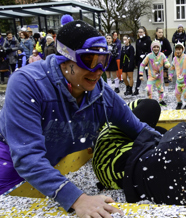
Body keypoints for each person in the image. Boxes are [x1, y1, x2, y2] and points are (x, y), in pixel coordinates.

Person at [0, 14, 165, 217]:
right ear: (65, 58)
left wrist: (175, 144)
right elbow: (27, 157)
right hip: (9, 155)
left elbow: (138, 129)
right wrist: (77, 199)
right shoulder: (27, 84)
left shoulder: (101, 93)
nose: (98, 71)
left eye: (103, 61)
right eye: (89, 60)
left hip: (51, 157)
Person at [139, 40, 170, 106]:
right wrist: (141, 74)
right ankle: (150, 101)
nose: (156, 48)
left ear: (159, 48)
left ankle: (161, 101)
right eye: (154, 47)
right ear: (152, 48)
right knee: (149, 89)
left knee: (160, 89)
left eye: (157, 47)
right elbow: (142, 64)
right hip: (151, 76)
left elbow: (166, 61)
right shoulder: (149, 56)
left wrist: (167, 64)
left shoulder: (162, 55)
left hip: (159, 77)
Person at [169, 42, 186, 110]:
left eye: (180, 49)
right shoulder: (174, 59)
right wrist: (170, 75)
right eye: (177, 49)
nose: (178, 51)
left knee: (185, 94)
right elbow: (172, 68)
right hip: (179, 81)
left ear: (182, 49)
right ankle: (179, 103)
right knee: (177, 94)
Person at [134, 26, 152, 95]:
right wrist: (137, 61)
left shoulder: (148, 40)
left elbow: (150, 50)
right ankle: (136, 90)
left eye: (141, 32)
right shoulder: (138, 41)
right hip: (140, 61)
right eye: (139, 32)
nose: (140, 33)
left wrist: (145, 56)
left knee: (148, 75)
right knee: (139, 75)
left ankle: (149, 90)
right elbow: (137, 52)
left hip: (147, 61)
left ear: (144, 32)